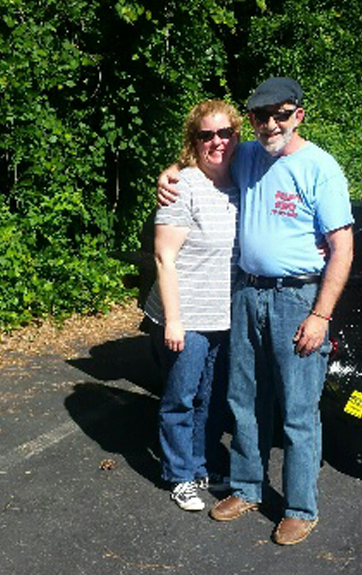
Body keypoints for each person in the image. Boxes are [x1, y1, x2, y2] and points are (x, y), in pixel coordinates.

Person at [158, 77, 354, 543]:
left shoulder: (320, 169)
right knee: (244, 399)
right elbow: (204, 158)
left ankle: (300, 507)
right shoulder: (247, 156)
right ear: (252, 121)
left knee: (297, 410)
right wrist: (169, 173)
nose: (271, 124)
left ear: (298, 115)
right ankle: (247, 487)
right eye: (261, 116)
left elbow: (342, 249)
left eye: (281, 114)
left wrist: (321, 314)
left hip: (298, 299)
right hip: (247, 294)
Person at [144, 100, 241, 511]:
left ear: (236, 136)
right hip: (185, 313)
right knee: (181, 397)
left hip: (224, 312)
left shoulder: (241, 180)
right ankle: (179, 475)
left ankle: (199, 463)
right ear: (194, 141)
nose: (216, 142)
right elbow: (164, 257)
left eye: (224, 133)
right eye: (206, 135)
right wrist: (174, 321)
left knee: (212, 397)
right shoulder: (181, 186)